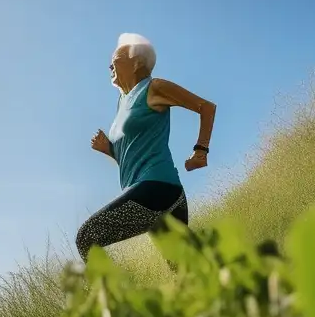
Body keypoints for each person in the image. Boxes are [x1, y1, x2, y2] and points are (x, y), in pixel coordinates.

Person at [76, 33, 217, 263]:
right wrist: (109, 150)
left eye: (116, 58)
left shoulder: (154, 87)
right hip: (157, 194)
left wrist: (201, 150)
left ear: (137, 62)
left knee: (87, 237)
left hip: (158, 190)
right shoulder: (123, 102)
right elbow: (132, 156)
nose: (109, 64)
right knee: (188, 273)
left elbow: (206, 107)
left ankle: (118, 298)